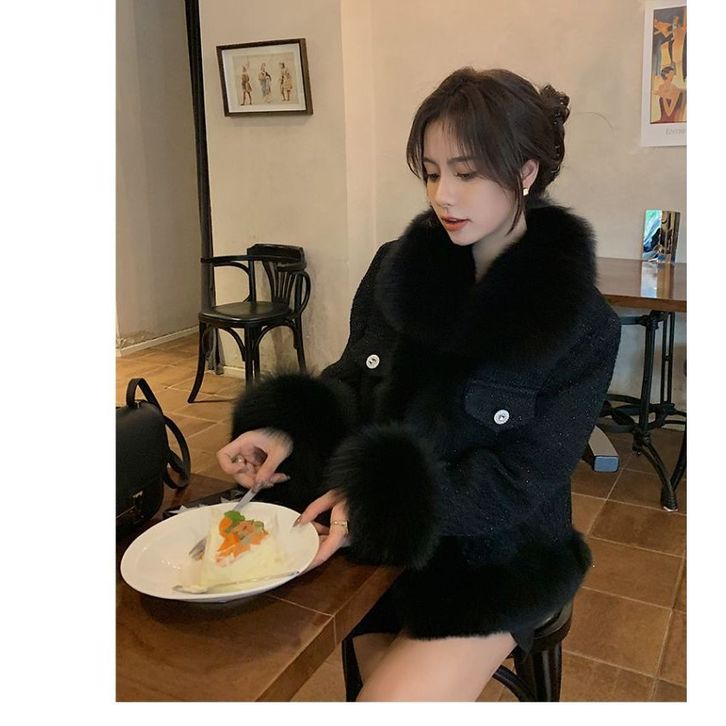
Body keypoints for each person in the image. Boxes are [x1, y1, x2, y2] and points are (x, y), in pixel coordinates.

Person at [217, 67, 621, 701]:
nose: (443, 196)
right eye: (431, 173)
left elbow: (520, 480)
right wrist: (286, 429)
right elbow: (352, 380)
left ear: (525, 172)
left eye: (466, 173)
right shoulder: (397, 268)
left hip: (494, 560)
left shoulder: (582, 325)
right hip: (379, 539)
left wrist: (381, 505)